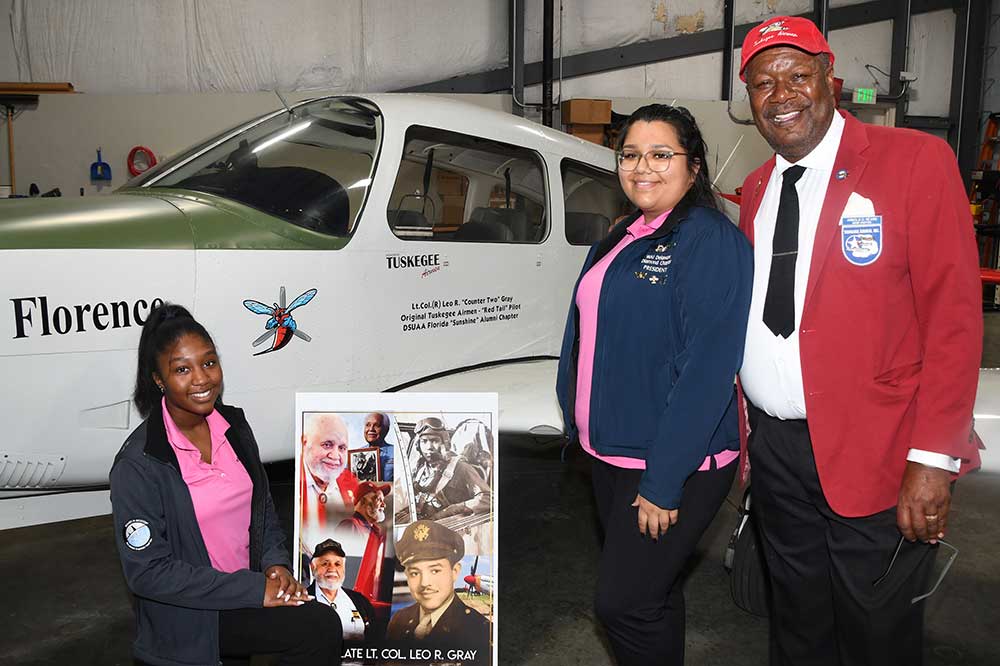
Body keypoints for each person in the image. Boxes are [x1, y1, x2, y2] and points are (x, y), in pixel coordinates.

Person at [736, 16, 982, 666]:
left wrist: (934, 460)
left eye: (796, 76)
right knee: (796, 621)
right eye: (763, 83)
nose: (780, 94)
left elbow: (954, 321)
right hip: (778, 451)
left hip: (881, 450)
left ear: (831, 80)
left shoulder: (913, 161)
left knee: (877, 634)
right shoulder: (759, 188)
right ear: (749, 100)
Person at [555, 104, 753, 665]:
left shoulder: (708, 240)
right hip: (610, 453)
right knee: (654, 597)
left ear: (693, 167)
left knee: (624, 604)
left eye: (661, 154)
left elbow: (707, 370)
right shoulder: (624, 235)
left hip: (669, 464)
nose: (643, 167)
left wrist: (665, 481)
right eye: (631, 154)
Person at [110, 303, 342, 666]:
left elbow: (261, 509)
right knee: (317, 625)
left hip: (244, 595)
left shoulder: (233, 426)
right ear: (159, 380)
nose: (201, 379)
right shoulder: (139, 464)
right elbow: (148, 573)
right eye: (182, 369)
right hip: (195, 615)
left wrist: (274, 564)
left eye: (209, 362)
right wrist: (255, 589)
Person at [386, 520, 490, 664]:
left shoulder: (480, 630)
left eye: (435, 570)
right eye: (415, 573)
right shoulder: (398, 621)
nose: (424, 583)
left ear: (455, 572)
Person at [411, 417, 491, 521]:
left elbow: (489, 499)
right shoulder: (419, 469)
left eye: (434, 441)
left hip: (448, 530)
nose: (428, 447)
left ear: (444, 443)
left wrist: (457, 508)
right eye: (424, 441)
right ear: (418, 444)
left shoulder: (461, 468)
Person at [307, 539, 381, 645]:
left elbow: (375, 641)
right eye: (325, 564)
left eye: (337, 564)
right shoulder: (302, 602)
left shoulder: (360, 601)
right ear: (313, 567)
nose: (332, 569)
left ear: (344, 569)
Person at [300, 413, 361, 539]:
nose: (335, 456)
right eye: (327, 445)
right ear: (304, 443)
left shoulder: (351, 483)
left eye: (342, 448)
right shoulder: (291, 481)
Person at [337, 481, 392, 601]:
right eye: (378, 499)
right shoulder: (350, 526)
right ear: (363, 502)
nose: (384, 505)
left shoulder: (375, 531)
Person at [364, 412, 394, 481]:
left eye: (377, 425)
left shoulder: (396, 452)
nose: (371, 429)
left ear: (386, 430)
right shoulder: (355, 455)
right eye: (368, 425)